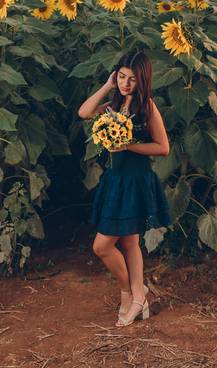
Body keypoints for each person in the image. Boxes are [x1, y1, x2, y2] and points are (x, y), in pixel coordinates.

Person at [77, 50, 172, 327]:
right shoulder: (112, 105)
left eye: (132, 79)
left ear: (142, 80)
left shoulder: (147, 108)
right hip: (115, 179)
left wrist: (128, 146)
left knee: (102, 246)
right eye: (121, 77)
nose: (125, 83)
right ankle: (136, 298)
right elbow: (83, 112)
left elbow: (163, 148)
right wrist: (107, 86)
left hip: (135, 180)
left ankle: (131, 292)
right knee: (130, 242)